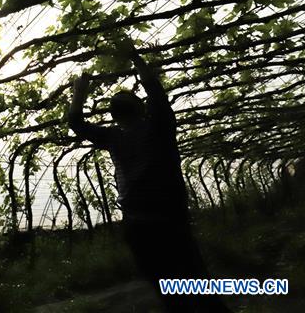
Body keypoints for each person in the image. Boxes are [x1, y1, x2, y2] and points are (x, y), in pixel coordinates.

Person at [66, 52, 231, 313]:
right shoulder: (153, 129)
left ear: (114, 115)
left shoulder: (119, 137)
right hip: (161, 221)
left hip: (145, 224)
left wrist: (80, 90)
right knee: (191, 283)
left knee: (177, 289)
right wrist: (138, 61)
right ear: (141, 109)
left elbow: (75, 121)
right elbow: (155, 93)